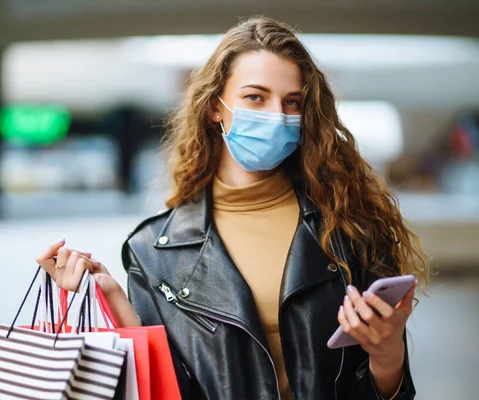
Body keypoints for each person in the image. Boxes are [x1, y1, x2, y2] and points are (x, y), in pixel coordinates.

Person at [36, 16, 428, 400]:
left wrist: (388, 353)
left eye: (292, 102)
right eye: (255, 97)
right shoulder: (152, 251)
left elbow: (386, 388)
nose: (277, 116)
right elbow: (168, 390)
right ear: (215, 107)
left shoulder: (349, 227)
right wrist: (116, 304)